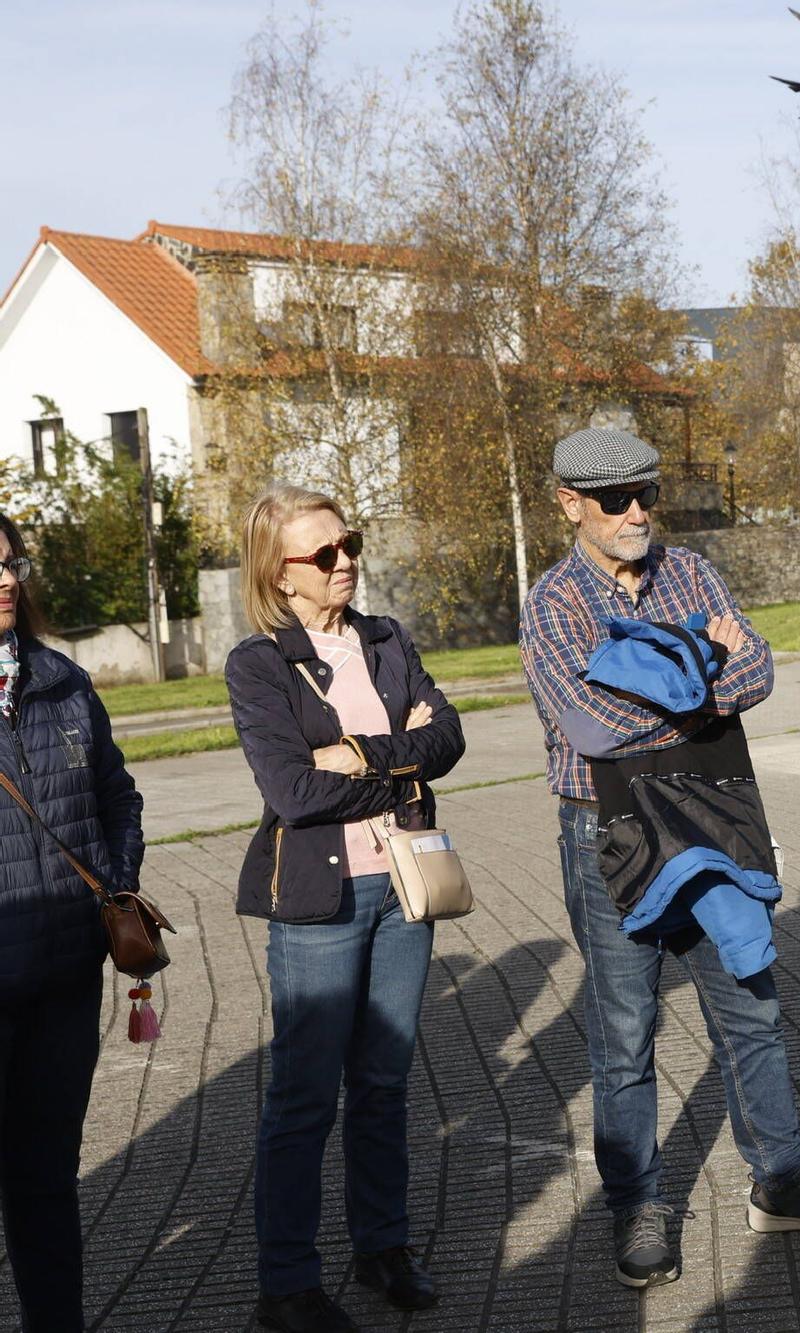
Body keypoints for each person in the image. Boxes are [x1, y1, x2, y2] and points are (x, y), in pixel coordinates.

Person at [519, 427, 800, 1292]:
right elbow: (590, 727)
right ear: (570, 504)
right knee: (624, 1031)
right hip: (608, 828)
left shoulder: (690, 572)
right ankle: (638, 1203)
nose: (638, 510)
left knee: (752, 1004)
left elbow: (757, 669)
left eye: (647, 492)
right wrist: (701, 670)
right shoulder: (553, 603)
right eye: (616, 499)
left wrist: (667, 677)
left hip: (713, 815)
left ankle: (783, 1175)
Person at [226, 486, 465, 1333]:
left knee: (383, 1081)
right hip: (323, 899)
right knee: (302, 1094)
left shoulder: (386, 637)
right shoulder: (259, 662)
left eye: (349, 542)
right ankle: (285, 1286)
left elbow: (450, 739)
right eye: (322, 553)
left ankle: (384, 1246)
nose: (344, 560)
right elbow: (292, 789)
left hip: (404, 885)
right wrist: (403, 757)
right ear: (278, 573)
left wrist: (361, 751)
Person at [0, 511, 143, 1332]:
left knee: (47, 1181)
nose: (7, 578)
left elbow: (118, 796)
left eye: (13, 560)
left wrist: (113, 885)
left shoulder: (61, 682)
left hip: (63, 979)